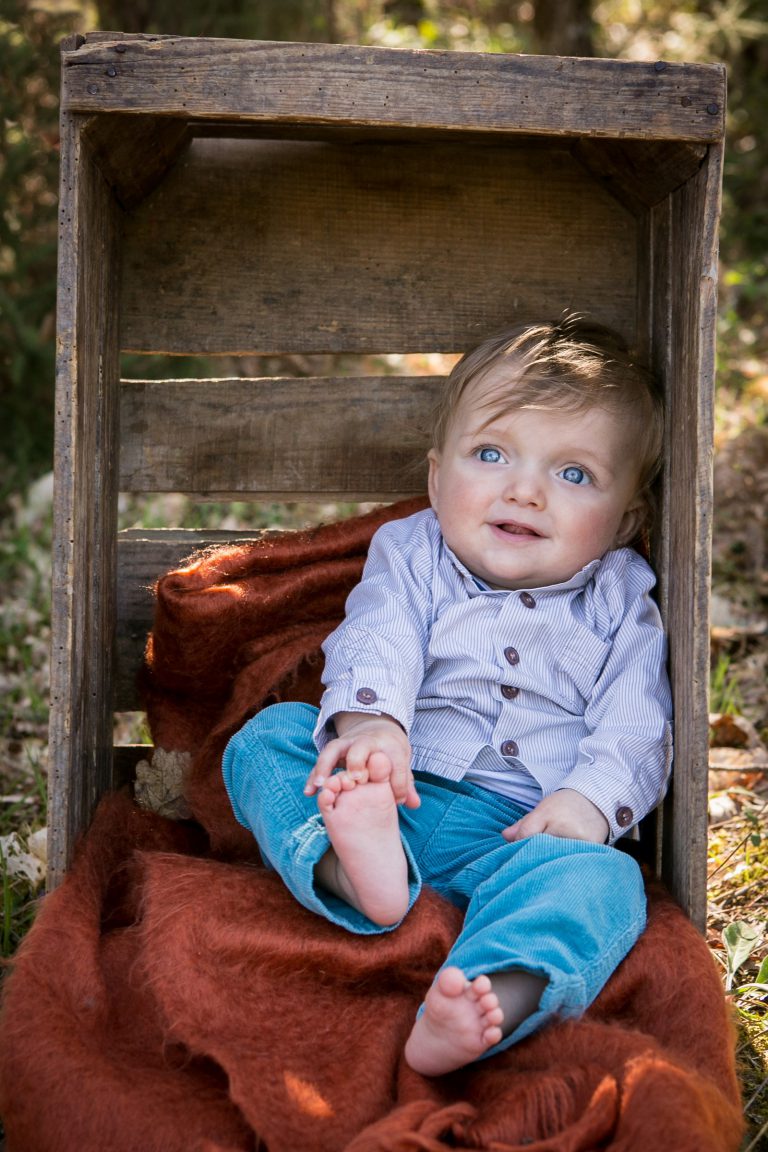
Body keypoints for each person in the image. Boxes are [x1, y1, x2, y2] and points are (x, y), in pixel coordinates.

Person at [222, 317, 673, 1077]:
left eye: (573, 474)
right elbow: (379, 634)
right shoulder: (415, 553)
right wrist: (374, 726)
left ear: (626, 519)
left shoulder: (622, 603)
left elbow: (637, 722)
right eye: (492, 454)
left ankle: (491, 995)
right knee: (266, 740)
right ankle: (356, 869)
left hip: (519, 841)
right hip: (389, 792)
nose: (524, 491)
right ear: (437, 479)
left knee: (606, 882)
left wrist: (590, 806)